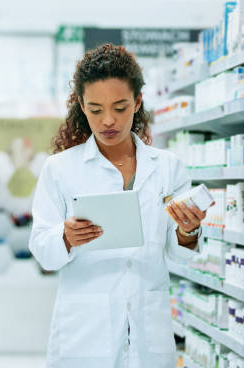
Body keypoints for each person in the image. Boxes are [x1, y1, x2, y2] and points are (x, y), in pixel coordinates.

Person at [29, 44, 207, 368]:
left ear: (137, 102)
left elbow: (179, 252)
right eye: (95, 109)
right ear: (81, 105)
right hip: (85, 331)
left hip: (148, 328)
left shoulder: (168, 168)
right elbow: (42, 248)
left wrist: (187, 230)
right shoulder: (59, 169)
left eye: (120, 107)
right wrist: (66, 238)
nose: (108, 120)